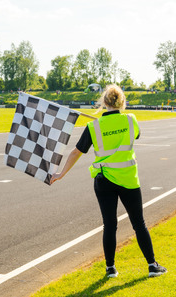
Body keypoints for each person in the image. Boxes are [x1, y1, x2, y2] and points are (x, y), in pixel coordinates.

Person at [50, 85, 167, 279]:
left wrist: (61, 173)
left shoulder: (93, 127)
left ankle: (110, 268)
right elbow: (136, 134)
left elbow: (76, 151)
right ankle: (152, 265)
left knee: (110, 225)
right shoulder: (131, 120)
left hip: (104, 181)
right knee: (139, 223)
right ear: (122, 102)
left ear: (104, 102)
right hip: (128, 179)